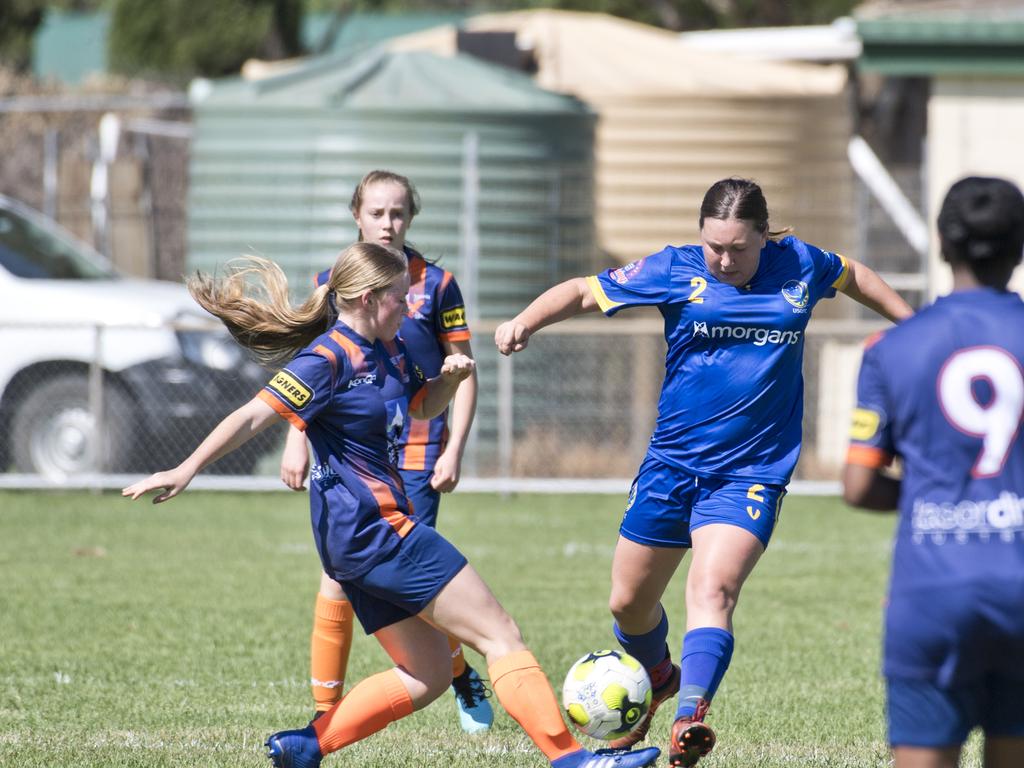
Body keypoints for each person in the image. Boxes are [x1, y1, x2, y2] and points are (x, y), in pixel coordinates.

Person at [123, 243, 662, 768]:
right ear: (365, 299)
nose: (409, 307)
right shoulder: (326, 358)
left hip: (353, 544)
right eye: (400, 297)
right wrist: (186, 467)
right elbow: (251, 416)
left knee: (426, 673)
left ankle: (307, 747)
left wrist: (446, 385)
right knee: (499, 634)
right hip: (378, 531)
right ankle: (571, 759)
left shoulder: (392, 348)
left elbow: (420, 406)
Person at [495, 177, 914, 767]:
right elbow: (585, 292)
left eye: (739, 248)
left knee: (711, 590)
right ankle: (661, 677)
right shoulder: (675, 269)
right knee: (627, 604)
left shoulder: (801, 264)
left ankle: (690, 715)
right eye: (715, 246)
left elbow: (855, 275)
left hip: (751, 471)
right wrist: (526, 321)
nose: (725, 259)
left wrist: (911, 323)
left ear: (764, 238)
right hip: (671, 465)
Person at [278, 170, 491, 732]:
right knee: (336, 580)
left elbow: (463, 374)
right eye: (377, 212)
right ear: (357, 216)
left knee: (425, 590)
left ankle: (460, 674)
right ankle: (324, 718)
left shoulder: (437, 284)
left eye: (398, 213)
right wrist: (295, 437)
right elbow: (309, 375)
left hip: (415, 450)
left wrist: (455, 449)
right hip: (348, 452)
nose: (387, 223)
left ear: (410, 219)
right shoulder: (335, 281)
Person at [842, 176, 1024, 768]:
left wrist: (934, 493)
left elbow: (859, 485)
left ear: (942, 246)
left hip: (932, 593)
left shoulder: (891, 349)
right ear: (1019, 246)